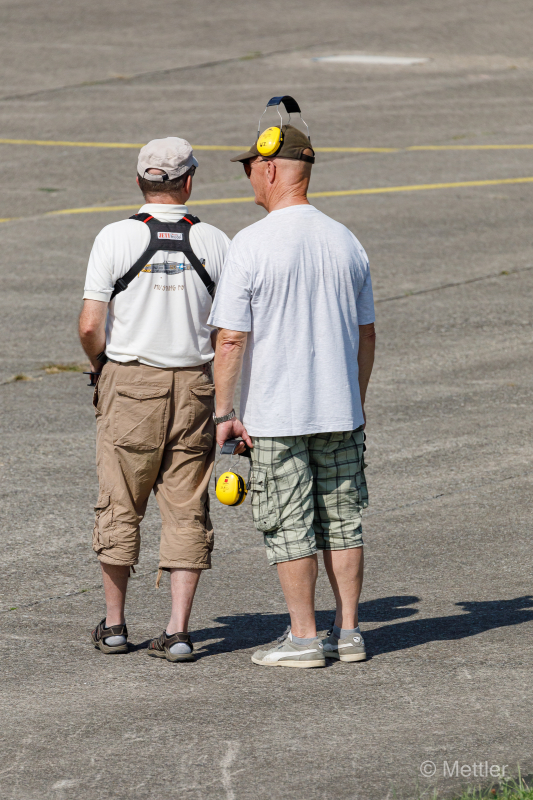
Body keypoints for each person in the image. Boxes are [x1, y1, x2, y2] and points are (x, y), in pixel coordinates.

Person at [208, 123, 376, 668]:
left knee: (288, 522)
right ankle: (348, 631)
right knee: (343, 519)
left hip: (277, 416)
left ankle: (303, 638)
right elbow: (367, 334)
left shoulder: (251, 244)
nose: (249, 178)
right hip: (340, 410)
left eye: (250, 168)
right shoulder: (346, 240)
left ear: (272, 168)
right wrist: (355, 399)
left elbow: (231, 338)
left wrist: (225, 414)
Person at [79, 137, 230, 662]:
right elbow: (231, 331)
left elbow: (90, 324)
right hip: (194, 384)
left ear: (140, 181)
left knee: (120, 499)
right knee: (187, 506)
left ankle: (116, 625)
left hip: (129, 380)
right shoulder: (214, 241)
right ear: (189, 181)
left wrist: (102, 367)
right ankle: (179, 630)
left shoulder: (115, 237)